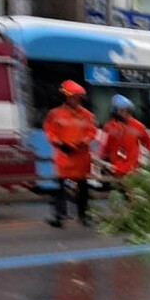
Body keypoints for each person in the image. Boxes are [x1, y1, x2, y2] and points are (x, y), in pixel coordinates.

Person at [43, 80, 97, 227]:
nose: (75, 100)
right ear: (66, 97)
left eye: (77, 97)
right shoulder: (55, 114)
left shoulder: (87, 115)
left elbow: (92, 132)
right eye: (73, 97)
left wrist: (81, 143)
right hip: (64, 157)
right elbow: (50, 132)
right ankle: (59, 215)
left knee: (83, 189)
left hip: (81, 158)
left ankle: (83, 216)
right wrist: (61, 144)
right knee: (59, 188)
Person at [101, 95, 150, 179]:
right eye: (121, 111)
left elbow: (148, 142)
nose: (124, 113)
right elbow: (105, 146)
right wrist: (103, 160)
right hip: (115, 167)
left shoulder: (138, 126)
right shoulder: (109, 126)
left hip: (132, 168)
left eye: (126, 110)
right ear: (116, 111)